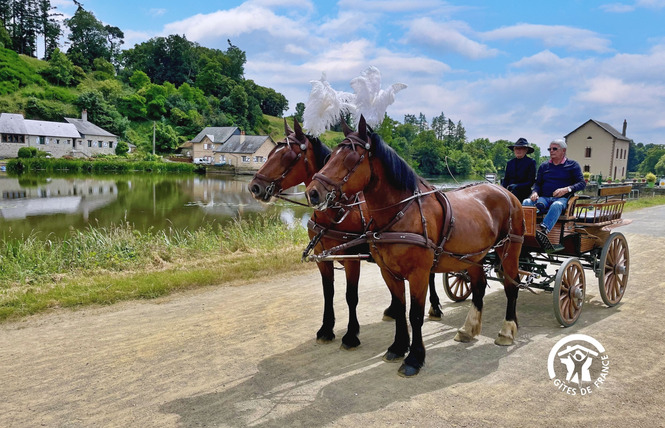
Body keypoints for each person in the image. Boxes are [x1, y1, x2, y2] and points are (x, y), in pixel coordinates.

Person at [523, 138, 586, 252]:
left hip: (562, 199)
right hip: (543, 198)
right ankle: (524, 230)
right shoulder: (544, 166)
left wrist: (566, 189)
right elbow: (538, 184)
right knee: (526, 202)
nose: (551, 151)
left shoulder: (572, 165)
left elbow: (582, 183)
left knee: (556, 205)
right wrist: (535, 192)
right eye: (550, 149)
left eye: (554, 149)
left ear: (563, 151)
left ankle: (543, 231)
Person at [502, 137, 536, 202]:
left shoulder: (531, 162)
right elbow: (506, 180)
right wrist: (502, 188)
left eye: (520, 149)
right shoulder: (510, 163)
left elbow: (531, 182)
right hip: (509, 191)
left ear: (526, 150)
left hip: (523, 192)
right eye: (516, 148)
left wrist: (517, 186)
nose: (518, 150)